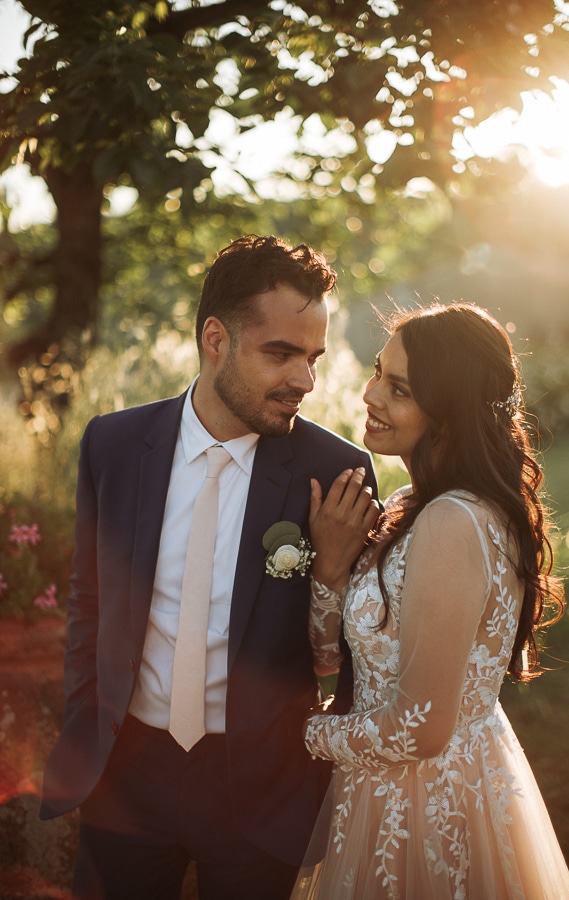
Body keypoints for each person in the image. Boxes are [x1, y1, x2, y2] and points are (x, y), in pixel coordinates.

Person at [39, 235, 379, 900]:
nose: (304, 380)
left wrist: (334, 574)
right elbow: (90, 601)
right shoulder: (111, 446)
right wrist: (90, 724)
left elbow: (359, 654)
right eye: (280, 353)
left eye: (312, 357)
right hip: (126, 775)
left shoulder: (335, 473)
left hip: (262, 790)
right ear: (215, 340)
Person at [293, 302, 569, 899]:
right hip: (380, 788)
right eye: (378, 371)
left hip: (432, 799)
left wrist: (302, 734)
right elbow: (331, 657)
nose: (370, 394)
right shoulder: (407, 506)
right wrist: (330, 566)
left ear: (447, 414)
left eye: (398, 390)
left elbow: (420, 729)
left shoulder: (453, 521)